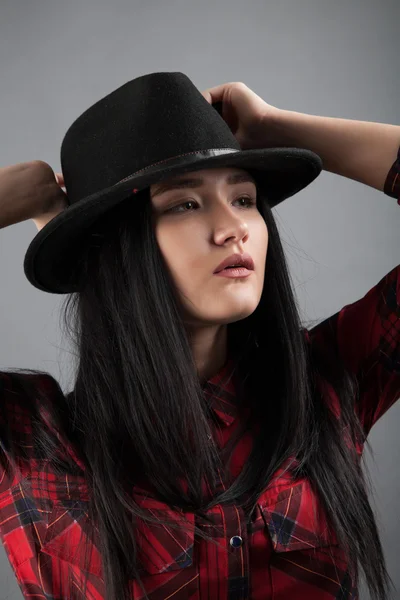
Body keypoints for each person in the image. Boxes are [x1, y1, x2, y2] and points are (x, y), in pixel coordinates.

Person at [0, 73, 398, 600]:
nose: (233, 227)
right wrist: (13, 194)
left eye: (245, 198)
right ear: (118, 249)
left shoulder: (326, 382)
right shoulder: (33, 442)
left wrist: (281, 130)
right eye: (185, 204)